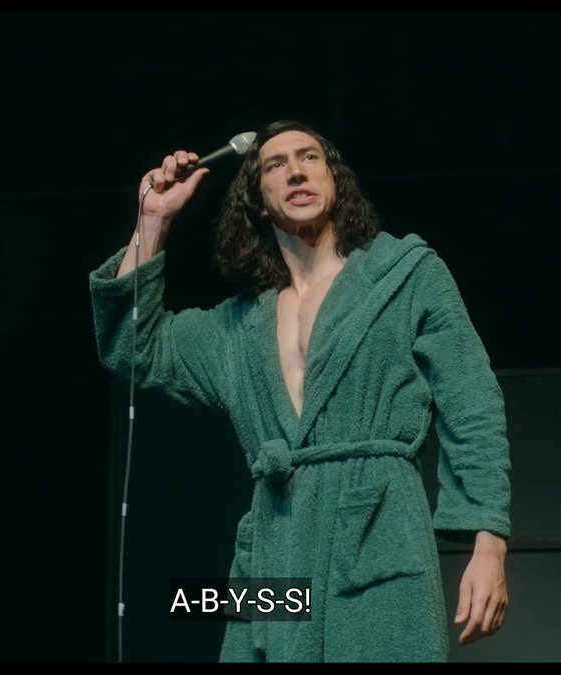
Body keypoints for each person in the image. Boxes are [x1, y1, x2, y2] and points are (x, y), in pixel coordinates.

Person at [89, 120, 510, 662]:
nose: (295, 171)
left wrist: (489, 542)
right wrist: (153, 221)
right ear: (259, 202)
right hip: (274, 555)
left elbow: (470, 401)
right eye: (275, 164)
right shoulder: (237, 329)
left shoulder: (405, 276)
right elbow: (133, 348)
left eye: (310, 157)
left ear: (335, 180)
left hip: (377, 538)